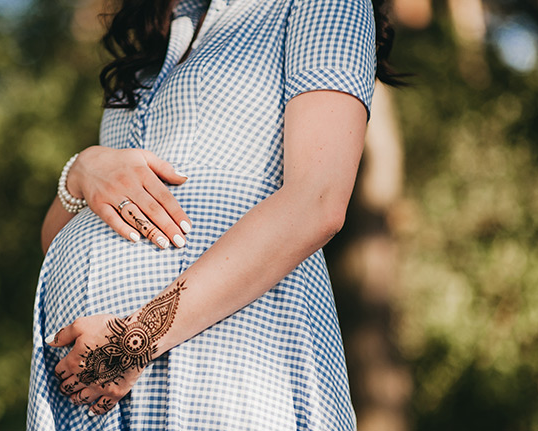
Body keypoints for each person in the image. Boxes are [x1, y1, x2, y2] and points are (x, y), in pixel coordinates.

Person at [28, 0, 403, 429]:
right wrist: (82, 171)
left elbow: (318, 200)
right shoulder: (159, 29)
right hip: (93, 376)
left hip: (226, 356)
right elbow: (53, 242)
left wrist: (137, 340)